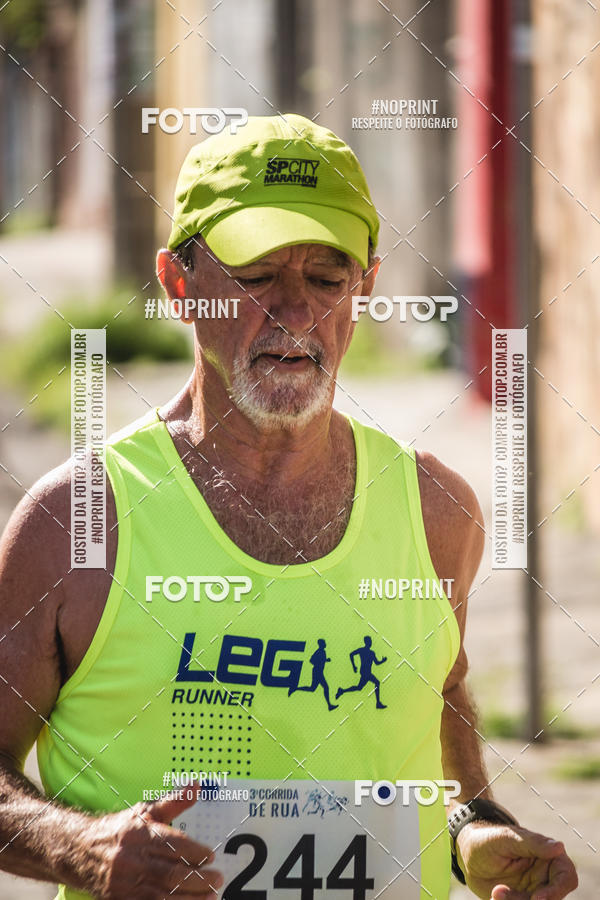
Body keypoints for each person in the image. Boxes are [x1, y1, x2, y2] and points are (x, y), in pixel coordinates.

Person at [0, 114, 577, 899]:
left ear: (365, 286)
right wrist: (82, 848)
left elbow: (435, 692)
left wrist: (470, 824)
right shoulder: (76, 523)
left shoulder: (436, 509)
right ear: (179, 285)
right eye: (256, 275)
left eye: (326, 278)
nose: (294, 312)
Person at [335, 635, 387, 708]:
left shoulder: (371, 652)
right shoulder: (363, 650)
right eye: (369, 641)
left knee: (359, 687)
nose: (371, 642)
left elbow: (376, 663)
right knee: (376, 683)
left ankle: (342, 691)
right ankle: (378, 703)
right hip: (365, 672)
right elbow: (351, 654)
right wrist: (353, 666)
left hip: (366, 672)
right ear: (366, 642)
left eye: (371, 641)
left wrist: (382, 661)